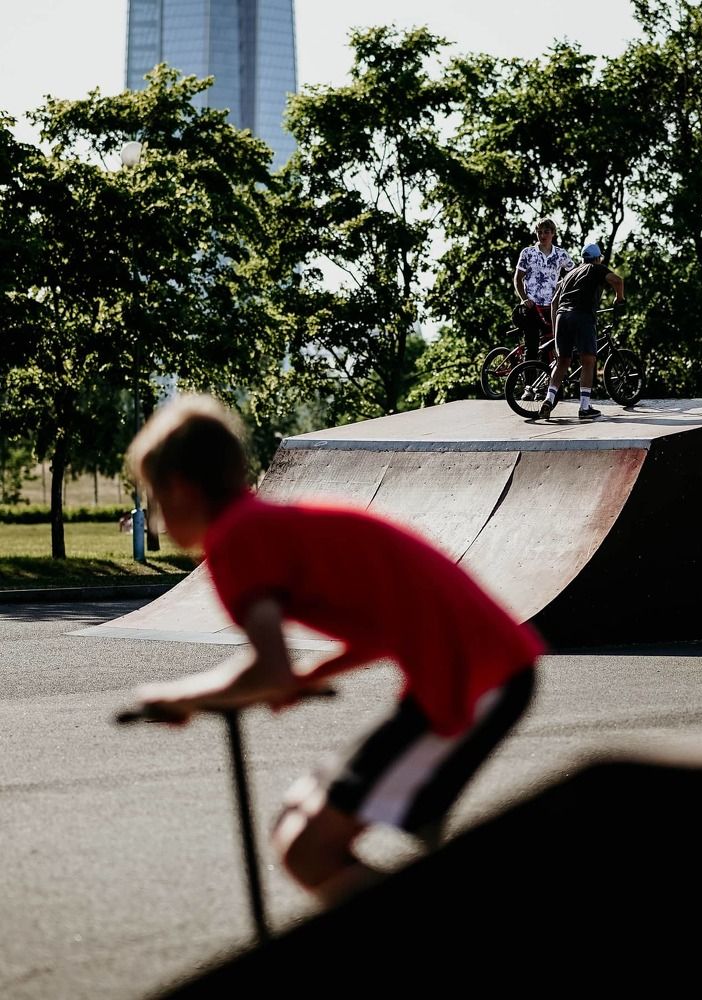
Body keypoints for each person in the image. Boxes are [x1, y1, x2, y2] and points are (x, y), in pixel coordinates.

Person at [124, 395, 545, 906]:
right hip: (467, 670)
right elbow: (375, 632)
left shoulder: (237, 538)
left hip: (476, 680)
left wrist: (178, 695)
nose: (156, 517)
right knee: (295, 821)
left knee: (308, 849)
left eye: (152, 497)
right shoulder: (261, 526)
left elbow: (268, 668)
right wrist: (308, 674)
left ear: (180, 489)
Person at [538, 242, 626, 421]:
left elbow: (554, 302)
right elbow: (618, 280)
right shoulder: (596, 268)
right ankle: (584, 408)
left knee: (562, 361)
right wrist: (619, 298)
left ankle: (548, 400)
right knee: (588, 361)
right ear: (598, 258)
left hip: (562, 316)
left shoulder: (570, 273)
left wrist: (556, 332)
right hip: (582, 315)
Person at [513, 218, 575, 400]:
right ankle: (528, 386)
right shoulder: (528, 253)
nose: (542, 235)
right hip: (532, 306)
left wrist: (564, 286)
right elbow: (518, 278)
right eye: (539, 232)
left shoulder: (561, 255)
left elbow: (573, 274)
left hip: (553, 306)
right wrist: (524, 299)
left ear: (553, 234)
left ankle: (549, 387)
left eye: (546, 232)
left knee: (553, 347)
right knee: (532, 346)